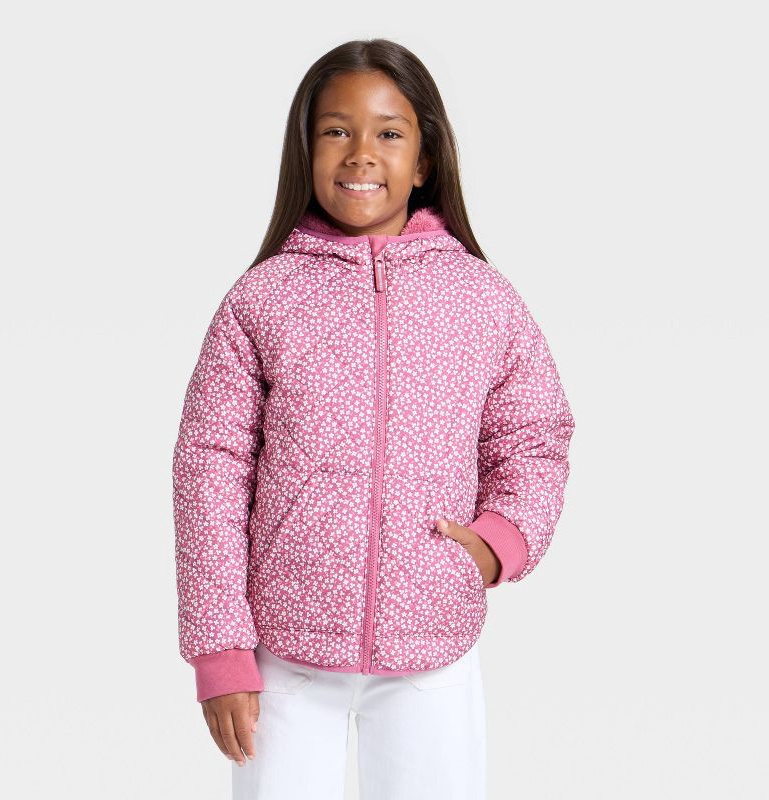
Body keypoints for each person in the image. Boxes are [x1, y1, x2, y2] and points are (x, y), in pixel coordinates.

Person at [172, 38, 575, 800]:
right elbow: (208, 471)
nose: (361, 153)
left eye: (389, 132)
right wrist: (220, 650)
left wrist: (499, 543)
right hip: (283, 654)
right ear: (306, 151)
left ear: (424, 161)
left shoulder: (481, 297)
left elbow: (534, 434)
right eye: (337, 130)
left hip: (433, 645)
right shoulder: (262, 299)